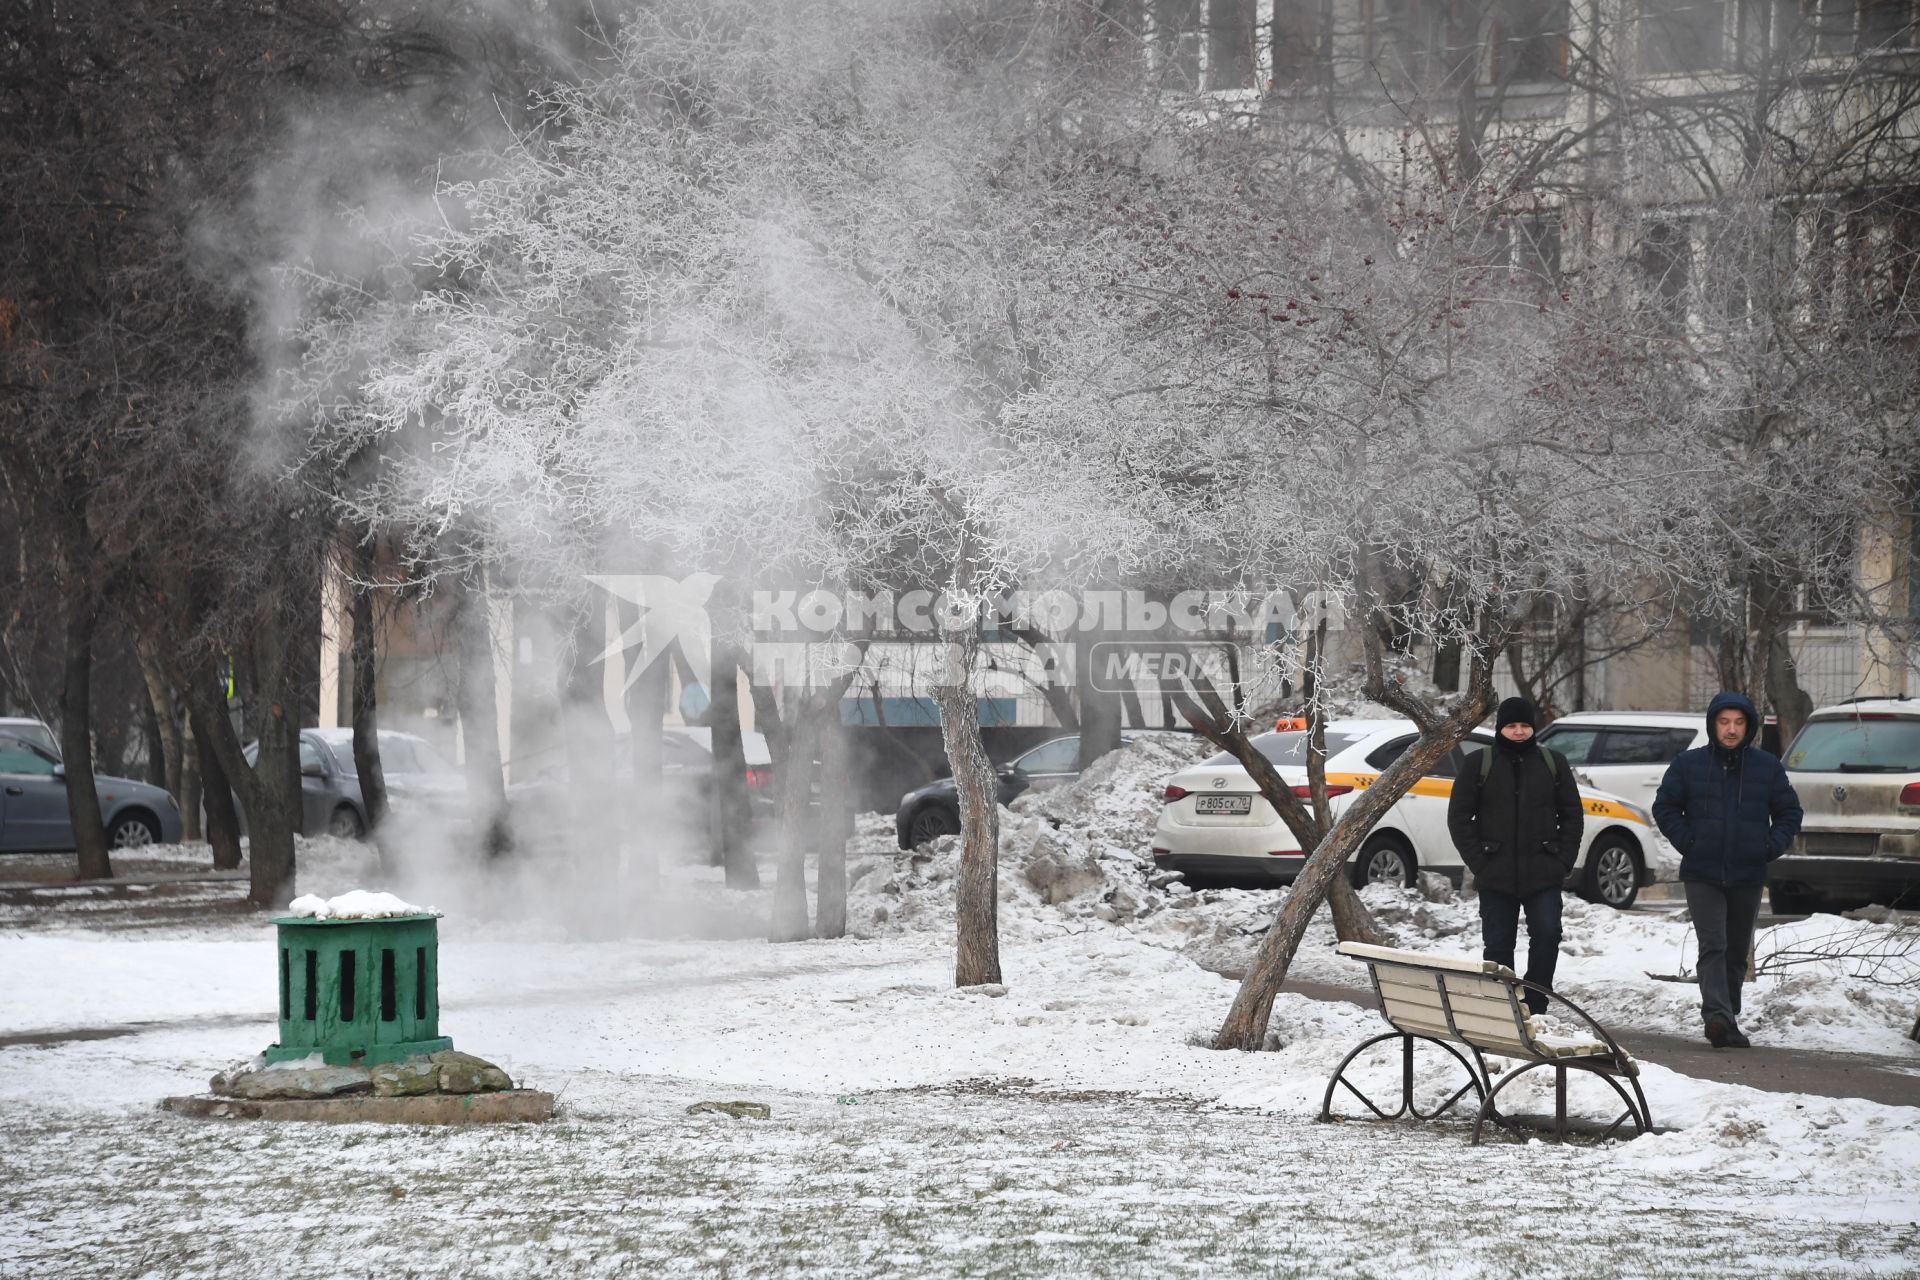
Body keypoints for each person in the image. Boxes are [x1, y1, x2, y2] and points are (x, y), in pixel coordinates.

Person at [1652, 691, 1803, 1049]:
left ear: (1748, 726)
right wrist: (1689, 842)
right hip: (1702, 871)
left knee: (1736, 951)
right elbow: (1665, 807)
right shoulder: (1688, 765)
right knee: (1713, 944)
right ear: (1713, 725)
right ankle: (1717, 1016)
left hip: (1747, 872)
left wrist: (1768, 847)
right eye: (1724, 722)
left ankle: (1727, 1016)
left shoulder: (1766, 767)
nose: (1731, 729)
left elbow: (1789, 813)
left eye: (1738, 723)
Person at [1448, 696, 1584, 1015]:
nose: (1519, 732)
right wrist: (1480, 862)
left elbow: (1572, 815)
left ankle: (1536, 1004)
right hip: (1495, 874)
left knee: (1548, 935)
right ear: (1500, 729)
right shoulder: (1478, 763)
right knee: (1497, 945)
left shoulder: (1553, 763)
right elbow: (1459, 818)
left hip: (1544, 872)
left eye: (1525, 725)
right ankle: (1503, 1007)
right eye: (1512, 726)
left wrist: (1562, 860)